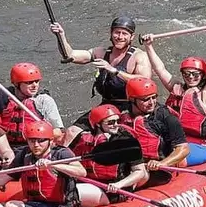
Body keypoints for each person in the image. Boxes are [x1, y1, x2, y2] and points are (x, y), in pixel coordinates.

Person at [49, 17, 152, 145]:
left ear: (132, 37)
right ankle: (64, 157)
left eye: (124, 33)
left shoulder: (139, 56)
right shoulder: (101, 52)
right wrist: (61, 36)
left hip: (130, 107)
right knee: (71, 132)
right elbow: (70, 55)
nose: (120, 37)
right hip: (106, 105)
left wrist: (114, 71)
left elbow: (145, 82)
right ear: (111, 33)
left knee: (110, 137)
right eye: (117, 32)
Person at [0, 121, 87, 207]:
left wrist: (53, 165)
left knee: (12, 206)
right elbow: (0, 179)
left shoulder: (61, 153)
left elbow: (81, 172)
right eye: (32, 141)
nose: (36, 145)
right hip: (33, 205)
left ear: (51, 141)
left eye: (40, 141)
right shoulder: (25, 154)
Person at [141, 26, 206, 165]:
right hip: (172, 140)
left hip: (198, 146)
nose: (190, 77)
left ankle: (164, 165)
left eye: (195, 74)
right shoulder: (177, 88)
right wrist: (148, 46)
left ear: (203, 75)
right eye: (186, 74)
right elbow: (160, 69)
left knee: (177, 159)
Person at [0, 52, 64, 145]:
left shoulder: (44, 100)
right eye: (29, 82)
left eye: (37, 81)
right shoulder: (2, 94)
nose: (34, 85)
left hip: (33, 147)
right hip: (5, 145)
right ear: (17, 84)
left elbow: (58, 132)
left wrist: (38, 136)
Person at [69, 104, 149, 207]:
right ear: (98, 124)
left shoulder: (126, 140)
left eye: (118, 121)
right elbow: (68, 158)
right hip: (91, 183)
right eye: (110, 122)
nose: (116, 125)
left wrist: (119, 184)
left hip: (114, 190)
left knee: (73, 191)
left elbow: (139, 172)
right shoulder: (84, 139)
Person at [120, 77, 189, 170]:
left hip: (161, 165)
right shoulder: (121, 114)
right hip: (135, 164)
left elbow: (183, 149)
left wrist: (162, 163)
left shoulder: (166, 117)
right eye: (146, 99)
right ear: (132, 99)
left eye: (154, 97)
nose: (151, 103)